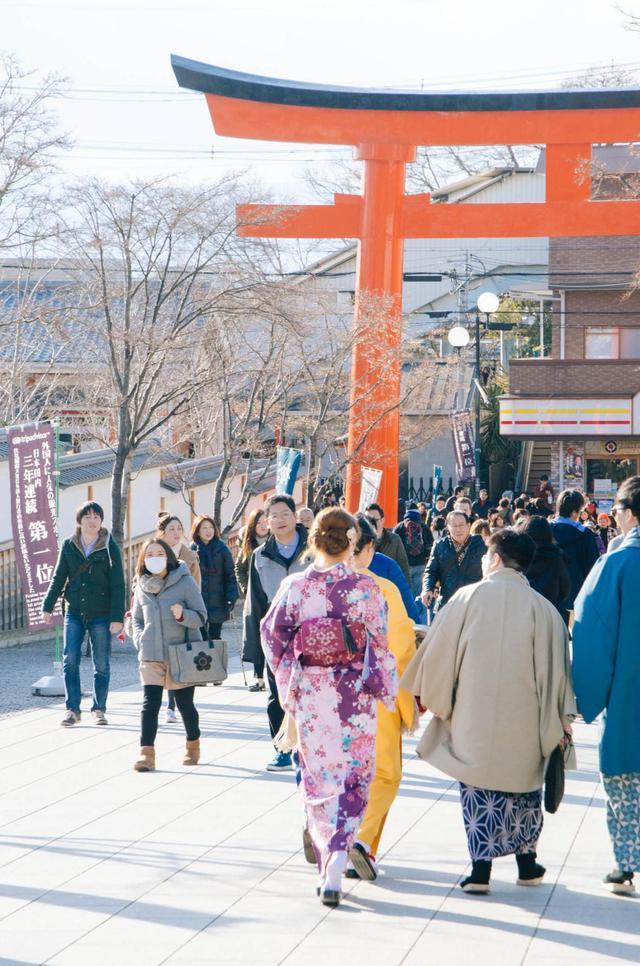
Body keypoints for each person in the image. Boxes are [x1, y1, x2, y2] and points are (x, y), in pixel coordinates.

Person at [403, 529, 575, 894]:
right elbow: (558, 673)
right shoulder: (544, 610)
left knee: (479, 791)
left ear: (495, 559)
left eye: (486, 555)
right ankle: (527, 864)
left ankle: (480, 870)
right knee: (524, 790)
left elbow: (438, 657)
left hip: (473, 714)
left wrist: (437, 701)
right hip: (527, 719)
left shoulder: (466, 598)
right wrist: (559, 720)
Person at [261, 508, 397, 906]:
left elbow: (272, 638)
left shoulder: (295, 587)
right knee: (355, 775)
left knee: (319, 778)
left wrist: (293, 678)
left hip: (315, 693)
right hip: (353, 694)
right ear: (351, 542)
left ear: (313, 540)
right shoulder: (366, 587)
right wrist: (382, 684)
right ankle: (340, 852)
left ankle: (328, 866)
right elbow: (381, 642)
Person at [572, 476, 640, 894]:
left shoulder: (616, 564)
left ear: (629, 513)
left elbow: (591, 630)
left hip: (627, 694)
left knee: (624, 780)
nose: (612, 518)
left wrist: (589, 697)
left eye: (614, 510)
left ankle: (626, 862)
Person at [347, 514, 416, 881]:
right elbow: (400, 647)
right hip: (376, 693)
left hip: (327, 698)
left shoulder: (312, 585)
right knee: (384, 774)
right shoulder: (382, 589)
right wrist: (407, 705)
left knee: (336, 772)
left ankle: (326, 834)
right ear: (369, 548)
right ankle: (361, 842)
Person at [42, 501, 125, 728]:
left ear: (101, 520)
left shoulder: (109, 547)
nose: (92, 520)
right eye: (87, 516)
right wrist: (47, 606)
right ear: (80, 520)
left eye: (96, 516)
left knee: (101, 663)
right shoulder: (69, 545)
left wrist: (118, 617)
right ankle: (72, 709)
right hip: (75, 610)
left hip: (102, 612)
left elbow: (118, 584)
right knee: (70, 660)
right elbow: (59, 577)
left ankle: (99, 709)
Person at [243, 494, 309, 771]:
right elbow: (255, 602)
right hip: (277, 636)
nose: (280, 520)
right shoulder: (260, 556)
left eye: (285, 514)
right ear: (266, 522)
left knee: (311, 691)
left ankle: (310, 747)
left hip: (312, 632)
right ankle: (281, 748)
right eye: (274, 516)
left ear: (295, 516)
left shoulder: (315, 549)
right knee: (277, 693)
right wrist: (254, 648)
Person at [130, 538, 207, 772]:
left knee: (185, 705)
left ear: (168, 557)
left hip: (180, 653)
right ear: (143, 559)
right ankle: (146, 753)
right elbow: (136, 618)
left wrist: (183, 615)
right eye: (149, 554)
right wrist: (140, 639)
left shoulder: (184, 581)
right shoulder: (141, 585)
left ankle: (193, 745)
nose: (155, 558)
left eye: (159, 553)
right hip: (151, 654)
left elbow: (201, 615)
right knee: (149, 704)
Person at [156, 514, 202, 721]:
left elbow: (196, 587)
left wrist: (189, 612)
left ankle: (175, 706)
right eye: (171, 529)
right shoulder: (154, 552)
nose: (176, 533)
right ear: (162, 532)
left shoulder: (189, 557)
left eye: (179, 528)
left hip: (182, 613)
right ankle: (166, 704)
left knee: (180, 659)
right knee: (162, 659)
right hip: (158, 613)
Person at [190, 515, 238, 661]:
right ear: (197, 531)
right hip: (198, 600)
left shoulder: (222, 548)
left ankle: (216, 672)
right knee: (201, 637)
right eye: (204, 528)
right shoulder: (192, 550)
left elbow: (230, 574)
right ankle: (203, 673)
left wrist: (231, 597)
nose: (208, 531)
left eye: (211, 527)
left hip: (219, 599)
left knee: (215, 636)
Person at [550, 490, 600, 624]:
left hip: (549, 594)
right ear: (575, 511)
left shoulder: (546, 530)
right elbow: (592, 567)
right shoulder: (585, 535)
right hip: (577, 594)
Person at [234, 508, 270, 691]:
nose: (263, 526)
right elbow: (239, 569)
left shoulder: (275, 541)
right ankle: (259, 677)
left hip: (272, 595)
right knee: (256, 635)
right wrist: (246, 589)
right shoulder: (247, 545)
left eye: (266, 521)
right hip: (254, 598)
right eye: (259, 522)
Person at [421, 511, 484, 609]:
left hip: (475, 601)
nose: (458, 529)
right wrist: (427, 589)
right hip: (448, 601)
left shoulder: (481, 544)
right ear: (448, 527)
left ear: (468, 526)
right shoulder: (440, 545)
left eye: (461, 525)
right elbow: (431, 571)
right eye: (454, 526)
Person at [515, 514, 571, 616]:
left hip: (522, 611)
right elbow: (565, 588)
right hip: (550, 611)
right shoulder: (556, 557)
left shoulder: (519, 556)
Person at [365, 502, 411, 583]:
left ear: (382, 520)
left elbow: (404, 568)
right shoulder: (361, 542)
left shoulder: (394, 540)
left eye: (375, 520)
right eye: (368, 520)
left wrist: (406, 591)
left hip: (390, 589)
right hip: (367, 590)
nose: (372, 523)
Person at [394, 504, 433, 597]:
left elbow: (394, 545)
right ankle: (417, 610)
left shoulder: (399, 527)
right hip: (420, 564)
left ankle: (406, 610)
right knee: (418, 593)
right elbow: (431, 545)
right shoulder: (424, 527)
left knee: (404, 592)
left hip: (404, 564)